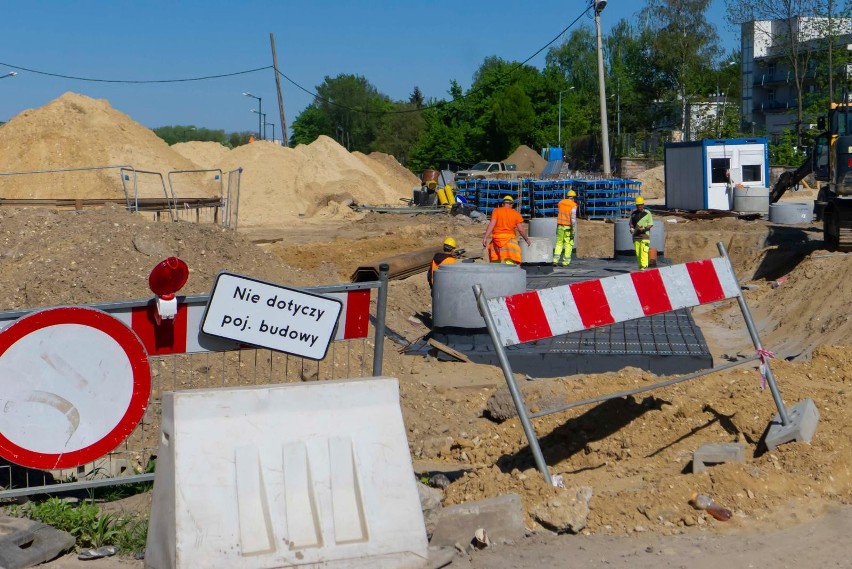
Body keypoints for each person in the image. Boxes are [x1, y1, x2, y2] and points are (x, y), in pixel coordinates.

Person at [482, 196, 531, 264]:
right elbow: (521, 230)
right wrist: (526, 239)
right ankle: (510, 273)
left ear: (503, 204)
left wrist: (485, 237)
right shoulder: (516, 214)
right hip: (509, 241)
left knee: (495, 261)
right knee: (511, 260)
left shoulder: (496, 211)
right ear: (512, 204)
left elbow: (492, 224)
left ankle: (496, 273)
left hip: (496, 240)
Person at [552, 189, 578, 267]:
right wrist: (573, 229)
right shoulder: (573, 205)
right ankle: (566, 262)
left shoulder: (561, 202)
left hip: (560, 226)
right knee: (568, 244)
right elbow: (573, 218)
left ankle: (555, 260)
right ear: (573, 198)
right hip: (568, 227)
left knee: (559, 243)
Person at [628, 195, 654, 270]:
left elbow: (651, 224)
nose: (640, 207)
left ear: (643, 205)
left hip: (644, 236)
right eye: (638, 206)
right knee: (638, 254)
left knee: (643, 253)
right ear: (636, 205)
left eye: (641, 206)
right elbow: (631, 223)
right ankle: (641, 269)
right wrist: (631, 228)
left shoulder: (647, 213)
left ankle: (644, 268)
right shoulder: (633, 214)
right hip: (636, 237)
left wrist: (644, 229)